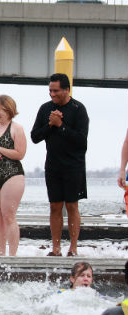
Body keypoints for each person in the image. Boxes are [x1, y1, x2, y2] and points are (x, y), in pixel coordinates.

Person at [31, 73, 89, 257]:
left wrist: (61, 125)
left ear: (66, 89)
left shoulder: (79, 109)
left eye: (56, 91)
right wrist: (51, 124)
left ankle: (73, 248)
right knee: (55, 206)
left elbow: (82, 141)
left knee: (72, 205)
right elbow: (35, 137)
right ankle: (55, 248)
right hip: (53, 165)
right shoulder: (45, 108)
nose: (52, 94)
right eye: (50, 90)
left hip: (74, 165)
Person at [0, 95, 27, 256]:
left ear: (8, 109)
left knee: (8, 216)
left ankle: (12, 255)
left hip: (13, 174)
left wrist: (1, 150)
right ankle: (1, 253)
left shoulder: (16, 128)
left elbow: (20, 153)